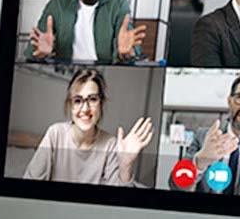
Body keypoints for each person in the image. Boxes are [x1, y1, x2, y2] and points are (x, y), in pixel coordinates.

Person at [23, 69, 154, 186]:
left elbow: (118, 204)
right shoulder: (55, 134)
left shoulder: (111, 145)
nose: (85, 109)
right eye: (78, 100)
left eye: (92, 99)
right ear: (70, 104)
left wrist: (126, 166)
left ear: (101, 103)